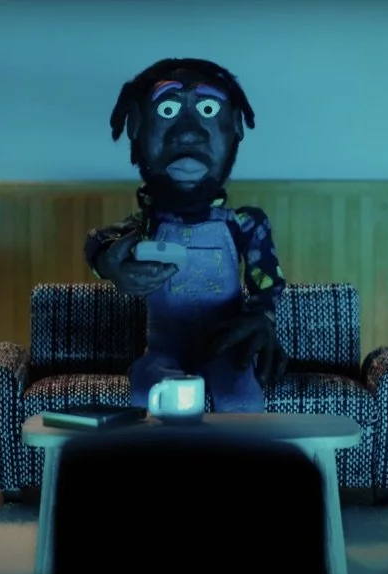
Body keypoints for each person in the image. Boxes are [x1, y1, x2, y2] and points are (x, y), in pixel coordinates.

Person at [83, 58, 288, 413]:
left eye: (209, 109)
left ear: (235, 126)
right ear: (136, 126)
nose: (189, 133)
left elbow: (268, 285)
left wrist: (260, 319)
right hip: (164, 351)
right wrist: (111, 263)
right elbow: (99, 243)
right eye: (167, 109)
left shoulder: (245, 224)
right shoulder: (144, 226)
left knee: (241, 399)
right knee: (149, 393)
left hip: (228, 348)